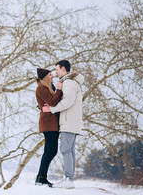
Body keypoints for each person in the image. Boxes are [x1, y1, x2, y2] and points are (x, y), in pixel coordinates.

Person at [43, 60, 84, 189]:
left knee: (66, 149)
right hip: (71, 121)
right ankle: (69, 179)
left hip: (69, 121)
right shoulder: (69, 82)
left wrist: (51, 109)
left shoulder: (69, 83)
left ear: (64, 69)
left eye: (57, 69)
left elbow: (68, 101)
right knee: (70, 150)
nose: (56, 72)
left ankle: (68, 179)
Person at [35, 68, 63, 187]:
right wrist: (60, 90)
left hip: (52, 123)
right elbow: (53, 102)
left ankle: (41, 177)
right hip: (48, 123)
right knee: (51, 151)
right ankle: (41, 177)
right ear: (45, 77)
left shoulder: (49, 88)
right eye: (50, 75)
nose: (52, 77)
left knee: (48, 151)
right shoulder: (42, 88)